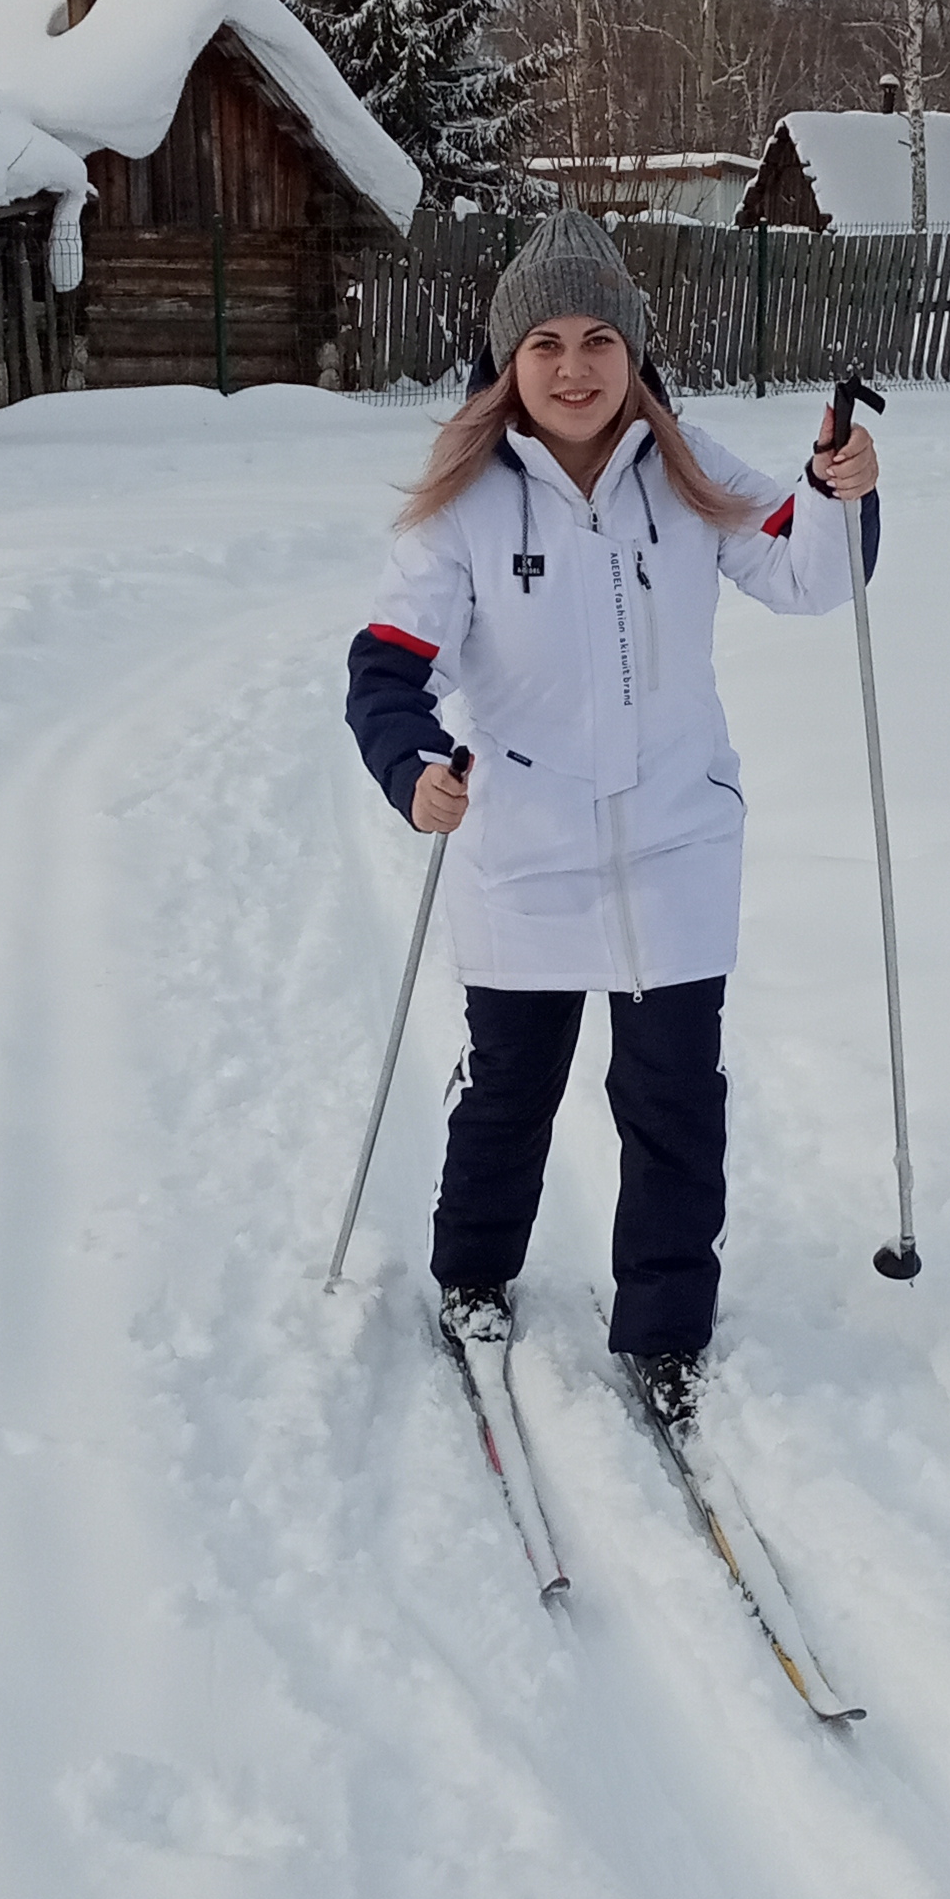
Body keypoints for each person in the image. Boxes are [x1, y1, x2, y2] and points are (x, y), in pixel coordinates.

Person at [344, 206, 882, 1433]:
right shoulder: (464, 503)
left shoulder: (692, 472)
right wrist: (414, 764)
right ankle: (473, 1273)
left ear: (635, 350)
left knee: (675, 1097)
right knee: (510, 1089)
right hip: (524, 850)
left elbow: (810, 571)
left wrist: (836, 490)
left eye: (599, 339)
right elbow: (389, 665)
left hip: (677, 839)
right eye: (545, 342)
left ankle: (667, 1326)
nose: (575, 367)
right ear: (507, 360)